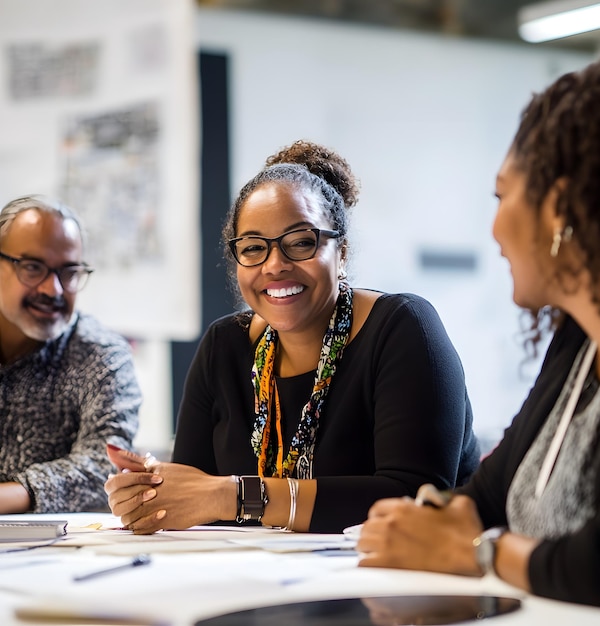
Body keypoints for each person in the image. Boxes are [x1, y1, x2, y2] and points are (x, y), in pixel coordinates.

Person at [356, 55, 600, 610]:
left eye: (502, 197)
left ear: (557, 207)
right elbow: (489, 493)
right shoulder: (579, 340)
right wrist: (429, 518)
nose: (495, 230)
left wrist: (480, 552)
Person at [105, 140, 480, 534]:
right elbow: (195, 498)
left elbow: (413, 499)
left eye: (301, 242)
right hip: (261, 580)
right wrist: (150, 495)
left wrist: (233, 495)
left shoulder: (402, 327)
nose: (275, 265)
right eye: (253, 248)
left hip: (400, 580)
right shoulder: (224, 347)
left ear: (343, 253)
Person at [0, 194, 141, 514]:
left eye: (69, 272)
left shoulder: (102, 357)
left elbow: (102, 467)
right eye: (33, 268)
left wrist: (11, 496)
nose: (53, 290)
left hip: (58, 552)